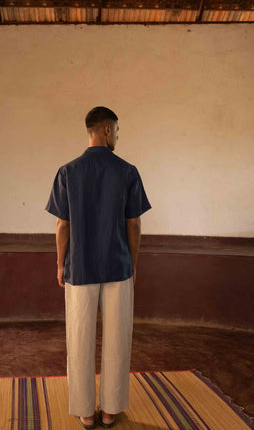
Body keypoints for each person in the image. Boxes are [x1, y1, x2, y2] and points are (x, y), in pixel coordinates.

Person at [45, 106, 151, 429]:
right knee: (118, 339)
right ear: (106, 130)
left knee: (79, 339)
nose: (117, 136)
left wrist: (61, 264)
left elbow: (63, 225)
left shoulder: (67, 172)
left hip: (80, 267)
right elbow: (134, 224)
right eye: (116, 130)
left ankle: (86, 413)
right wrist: (132, 263)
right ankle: (110, 410)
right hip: (117, 267)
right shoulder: (128, 171)